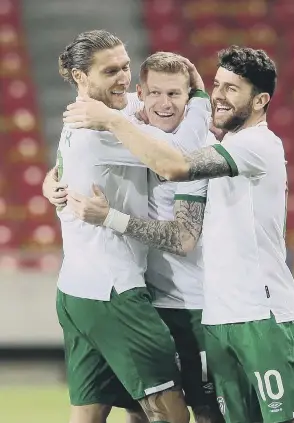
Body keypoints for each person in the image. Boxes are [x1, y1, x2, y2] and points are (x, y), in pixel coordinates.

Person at [63, 45, 294, 423]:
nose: (219, 96)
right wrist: (57, 183)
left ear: (261, 100)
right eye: (217, 86)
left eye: (232, 89)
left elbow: (181, 211)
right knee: (145, 410)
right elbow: (116, 106)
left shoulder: (241, 147)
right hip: (189, 307)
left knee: (225, 414)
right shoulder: (148, 136)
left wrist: (110, 217)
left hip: (238, 309)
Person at [45, 51, 222, 423]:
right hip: (119, 291)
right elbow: (174, 156)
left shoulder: (114, 119)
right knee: (161, 414)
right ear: (80, 77)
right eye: (111, 70)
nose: (123, 78)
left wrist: (61, 184)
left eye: (125, 67)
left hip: (177, 301)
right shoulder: (105, 126)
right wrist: (56, 183)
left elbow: (184, 228)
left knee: (110, 411)